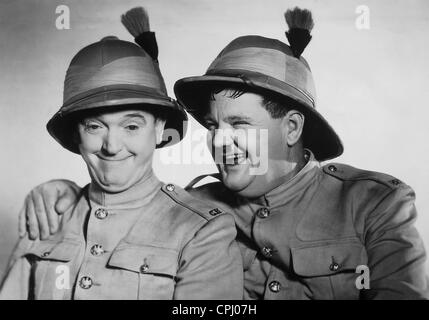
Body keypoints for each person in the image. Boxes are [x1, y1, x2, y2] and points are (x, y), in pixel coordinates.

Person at [13, 7, 428, 299]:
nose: (219, 141)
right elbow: (125, 201)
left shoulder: (373, 204)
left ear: (292, 127)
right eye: (214, 125)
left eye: (240, 125)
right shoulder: (197, 208)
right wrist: (64, 191)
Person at [0, 8, 242, 300]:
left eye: (131, 126)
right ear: (76, 134)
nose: (112, 146)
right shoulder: (47, 218)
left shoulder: (202, 231)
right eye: (94, 126)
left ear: (158, 129)